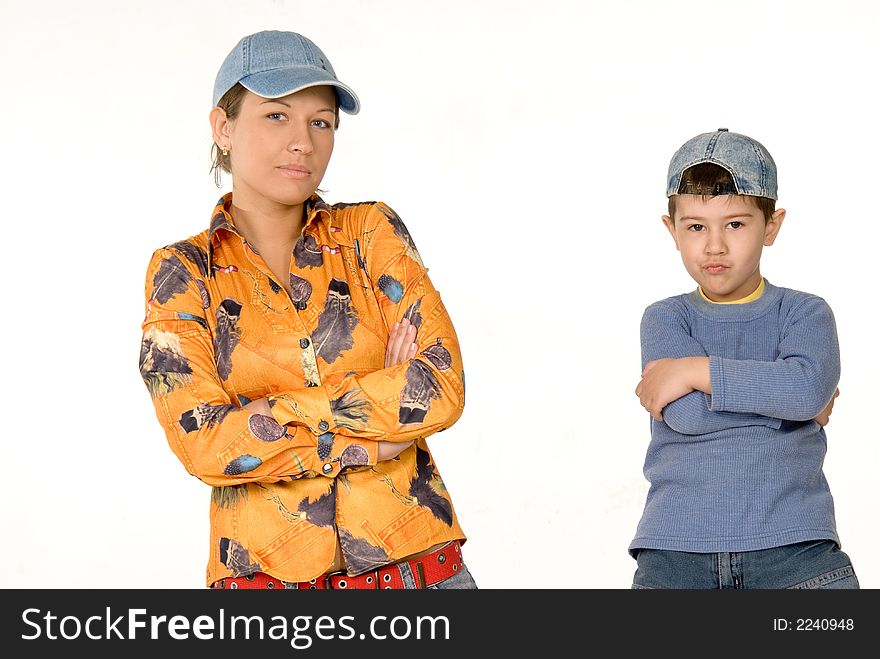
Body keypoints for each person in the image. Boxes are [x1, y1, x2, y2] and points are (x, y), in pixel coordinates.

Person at [139, 30, 475, 589]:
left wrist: (269, 414)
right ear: (223, 128)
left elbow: (438, 385)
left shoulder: (371, 234)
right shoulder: (181, 273)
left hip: (422, 574)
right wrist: (372, 436)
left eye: (320, 121)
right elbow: (204, 442)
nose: (303, 141)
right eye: (276, 116)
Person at [630, 128, 858, 589]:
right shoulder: (666, 318)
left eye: (735, 224)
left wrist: (696, 370)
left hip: (795, 550)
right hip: (677, 555)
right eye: (696, 226)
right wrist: (791, 403)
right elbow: (687, 414)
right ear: (671, 230)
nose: (714, 245)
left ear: (770, 226)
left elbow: (806, 390)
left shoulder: (805, 312)